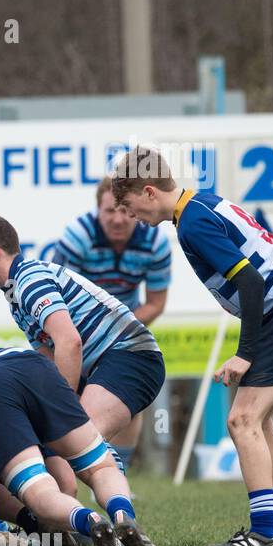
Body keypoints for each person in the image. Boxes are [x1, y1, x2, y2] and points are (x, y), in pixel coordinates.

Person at [111, 145, 273, 546]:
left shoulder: (192, 221)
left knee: (242, 419)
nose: (128, 215)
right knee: (260, 423)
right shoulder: (199, 203)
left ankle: (264, 533)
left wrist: (244, 353)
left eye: (128, 204)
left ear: (149, 191)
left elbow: (251, 283)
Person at [0, 212, 165, 532]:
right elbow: (48, 357)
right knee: (73, 444)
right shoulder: (16, 292)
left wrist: (59, 411)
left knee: (82, 441)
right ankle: (115, 520)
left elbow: (70, 342)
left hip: (130, 356)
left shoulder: (29, 280)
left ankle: (115, 521)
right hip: (115, 359)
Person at [52, 175, 172, 468]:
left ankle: (119, 474)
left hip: (123, 330)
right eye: (109, 211)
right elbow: (56, 297)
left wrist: (114, 328)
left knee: (129, 403)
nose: (118, 219)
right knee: (63, 404)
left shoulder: (155, 242)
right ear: (97, 210)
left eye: (124, 210)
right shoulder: (77, 237)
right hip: (77, 330)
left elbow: (155, 304)